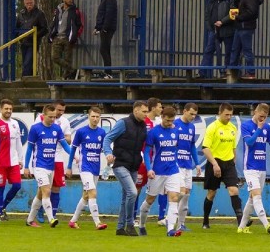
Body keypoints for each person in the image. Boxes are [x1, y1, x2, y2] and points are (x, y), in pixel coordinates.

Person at [238, 103, 270, 234]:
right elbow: (249, 142)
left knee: (252, 197)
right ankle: (267, 224)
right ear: (255, 112)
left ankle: (241, 227)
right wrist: (259, 128)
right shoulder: (246, 125)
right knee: (257, 195)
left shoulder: (267, 127)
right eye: (260, 116)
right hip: (250, 167)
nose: (262, 119)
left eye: (265, 117)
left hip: (262, 167)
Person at [103, 101, 150, 236]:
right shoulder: (123, 123)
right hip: (120, 164)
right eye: (144, 111)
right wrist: (108, 153)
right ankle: (130, 224)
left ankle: (119, 228)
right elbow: (108, 138)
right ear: (136, 111)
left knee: (126, 197)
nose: (146, 114)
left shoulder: (143, 126)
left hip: (134, 166)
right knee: (133, 193)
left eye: (147, 112)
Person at [138, 106, 185, 237]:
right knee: (150, 199)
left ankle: (170, 229)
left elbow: (175, 149)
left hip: (172, 170)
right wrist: (149, 169)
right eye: (168, 120)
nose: (170, 123)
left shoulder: (175, 131)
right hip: (157, 171)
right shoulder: (153, 132)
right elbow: (147, 152)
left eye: (172, 121)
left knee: (174, 197)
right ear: (162, 117)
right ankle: (142, 224)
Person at [24, 104, 72, 228]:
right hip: (39, 165)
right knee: (47, 190)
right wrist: (26, 166)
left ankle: (29, 220)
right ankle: (51, 219)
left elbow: (65, 145)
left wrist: (74, 155)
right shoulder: (35, 129)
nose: (52, 119)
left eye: (54, 117)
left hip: (51, 166)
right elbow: (29, 149)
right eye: (50, 117)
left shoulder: (57, 128)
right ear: (43, 115)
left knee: (40, 193)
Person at [201, 102, 243, 228]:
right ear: (219, 113)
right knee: (212, 193)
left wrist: (234, 159)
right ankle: (205, 221)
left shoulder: (233, 128)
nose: (229, 117)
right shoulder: (212, 127)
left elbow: (233, 147)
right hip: (215, 162)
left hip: (229, 163)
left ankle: (241, 223)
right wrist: (214, 164)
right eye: (226, 115)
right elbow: (205, 148)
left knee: (234, 190)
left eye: (230, 115)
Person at [66, 106, 108, 230]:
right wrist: (69, 167)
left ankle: (73, 221)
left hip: (96, 168)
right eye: (93, 116)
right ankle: (98, 223)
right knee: (93, 193)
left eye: (97, 117)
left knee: (86, 195)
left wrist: (109, 156)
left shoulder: (102, 132)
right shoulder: (81, 132)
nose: (95, 119)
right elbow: (73, 149)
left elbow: (105, 148)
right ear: (88, 117)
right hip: (84, 168)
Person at [216, 0, 262, 79]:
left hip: (246, 26)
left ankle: (250, 72)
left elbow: (252, 12)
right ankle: (232, 71)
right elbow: (239, 7)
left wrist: (239, 17)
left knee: (246, 50)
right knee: (235, 49)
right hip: (239, 26)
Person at [0, 98, 24, 219]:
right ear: (0, 109)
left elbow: (18, 143)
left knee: (17, 186)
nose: (8, 111)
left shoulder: (15, 124)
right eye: (6, 108)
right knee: (0, 187)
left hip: (14, 161)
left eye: (10, 109)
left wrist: (21, 159)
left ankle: (3, 207)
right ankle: (0, 213)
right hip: (0, 162)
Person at [200, 0, 236, 78]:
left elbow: (233, 14)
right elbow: (207, 16)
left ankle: (226, 72)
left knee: (228, 52)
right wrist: (210, 28)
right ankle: (202, 72)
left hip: (227, 30)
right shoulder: (211, 1)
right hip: (214, 31)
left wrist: (222, 22)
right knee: (209, 50)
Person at [174, 102, 201, 231]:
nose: (193, 117)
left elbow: (192, 147)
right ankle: (171, 214)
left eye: (195, 115)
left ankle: (181, 224)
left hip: (187, 165)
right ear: (184, 111)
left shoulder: (192, 127)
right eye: (191, 114)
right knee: (182, 192)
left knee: (186, 194)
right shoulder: (175, 125)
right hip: (177, 164)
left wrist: (197, 164)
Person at [48, 0, 82, 80]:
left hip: (68, 38)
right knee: (55, 57)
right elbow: (54, 22)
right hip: (57, 37)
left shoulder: (75, 11)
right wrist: (51, 33)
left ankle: (65, 77)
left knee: (68, 59)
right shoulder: (58, 10)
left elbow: (79, 24)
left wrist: (74, 35)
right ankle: (72, 70)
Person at [47, 100, 72, 219]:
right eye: (58, 110)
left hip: (58, 158)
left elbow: (69, 140)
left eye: (63, 110)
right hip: (44, 157)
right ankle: (41, 212)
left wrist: (60, 136)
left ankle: (53, 214)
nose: (61, 112)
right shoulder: (42, 119)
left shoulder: (65, 122)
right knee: (45, 187)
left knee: (56, 187)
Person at [15, 0, 49, 78]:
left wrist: (34, 36)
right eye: (27, 3)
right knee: (26, 64)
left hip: (33, 43)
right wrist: (18, 38)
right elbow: (17, 27)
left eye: (31, 3)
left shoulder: (39, 14)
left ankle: (23, 81)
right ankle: (29, 81)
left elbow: (45, 29)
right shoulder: (21, 14)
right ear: (24, 4)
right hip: (23, 43)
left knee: (28, 63)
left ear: (34, 3)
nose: (29, 5)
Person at [93, 0, 118, 77]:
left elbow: (109, 14)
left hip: (107, 28)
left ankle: (108, 72)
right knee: (105, 49)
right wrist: (97, 27)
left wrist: (104, 28)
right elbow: (102, 14)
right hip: (104, 27)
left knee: (104, 49)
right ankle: (108, 72)